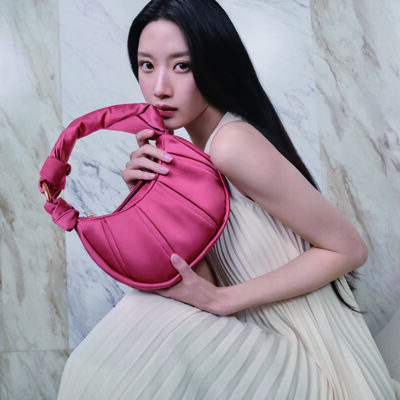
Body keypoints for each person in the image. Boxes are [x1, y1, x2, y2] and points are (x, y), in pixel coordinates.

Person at [57, 0, 400, 398]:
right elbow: (200, 290)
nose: (160, 87)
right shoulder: (197, 158)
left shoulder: (232, 143)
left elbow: (349, 249)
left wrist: (224, 299)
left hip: (320, 361)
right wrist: (153, 200)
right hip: (262, 345)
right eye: (147, 65)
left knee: (135, 326)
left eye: (182, 66)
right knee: (132, 337)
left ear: (215, 67)